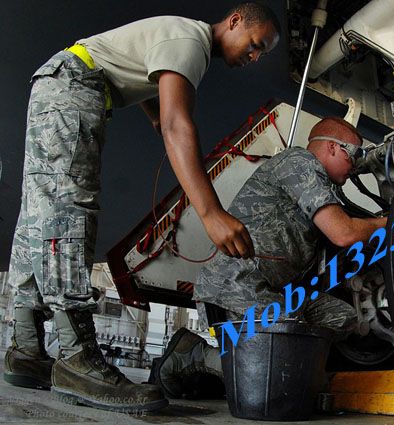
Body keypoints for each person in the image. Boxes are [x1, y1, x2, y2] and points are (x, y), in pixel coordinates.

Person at [3, 2, 281, 413]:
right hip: (74, 87)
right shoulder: (192, 41)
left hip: (58, 84)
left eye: (261, 54)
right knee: (67, 209)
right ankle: (78, 357)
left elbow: (151, 87)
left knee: (39, 213)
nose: (254, 57)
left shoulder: (180, 36)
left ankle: (25, 348)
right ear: (235, 21)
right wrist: (211, 214)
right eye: (256, 44)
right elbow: (177, 124)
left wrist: (153, 112)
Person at [151, 117, 388, 398]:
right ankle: (196, 354)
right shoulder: (299, 163)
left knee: (343, 318)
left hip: (273, 293)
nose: (356, 165)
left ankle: (260, 363)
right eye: (355, 154)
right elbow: (343, 232)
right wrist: (393, 220)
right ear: (332, 147)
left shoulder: (322, 189)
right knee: (282, 351)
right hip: (236, 285)